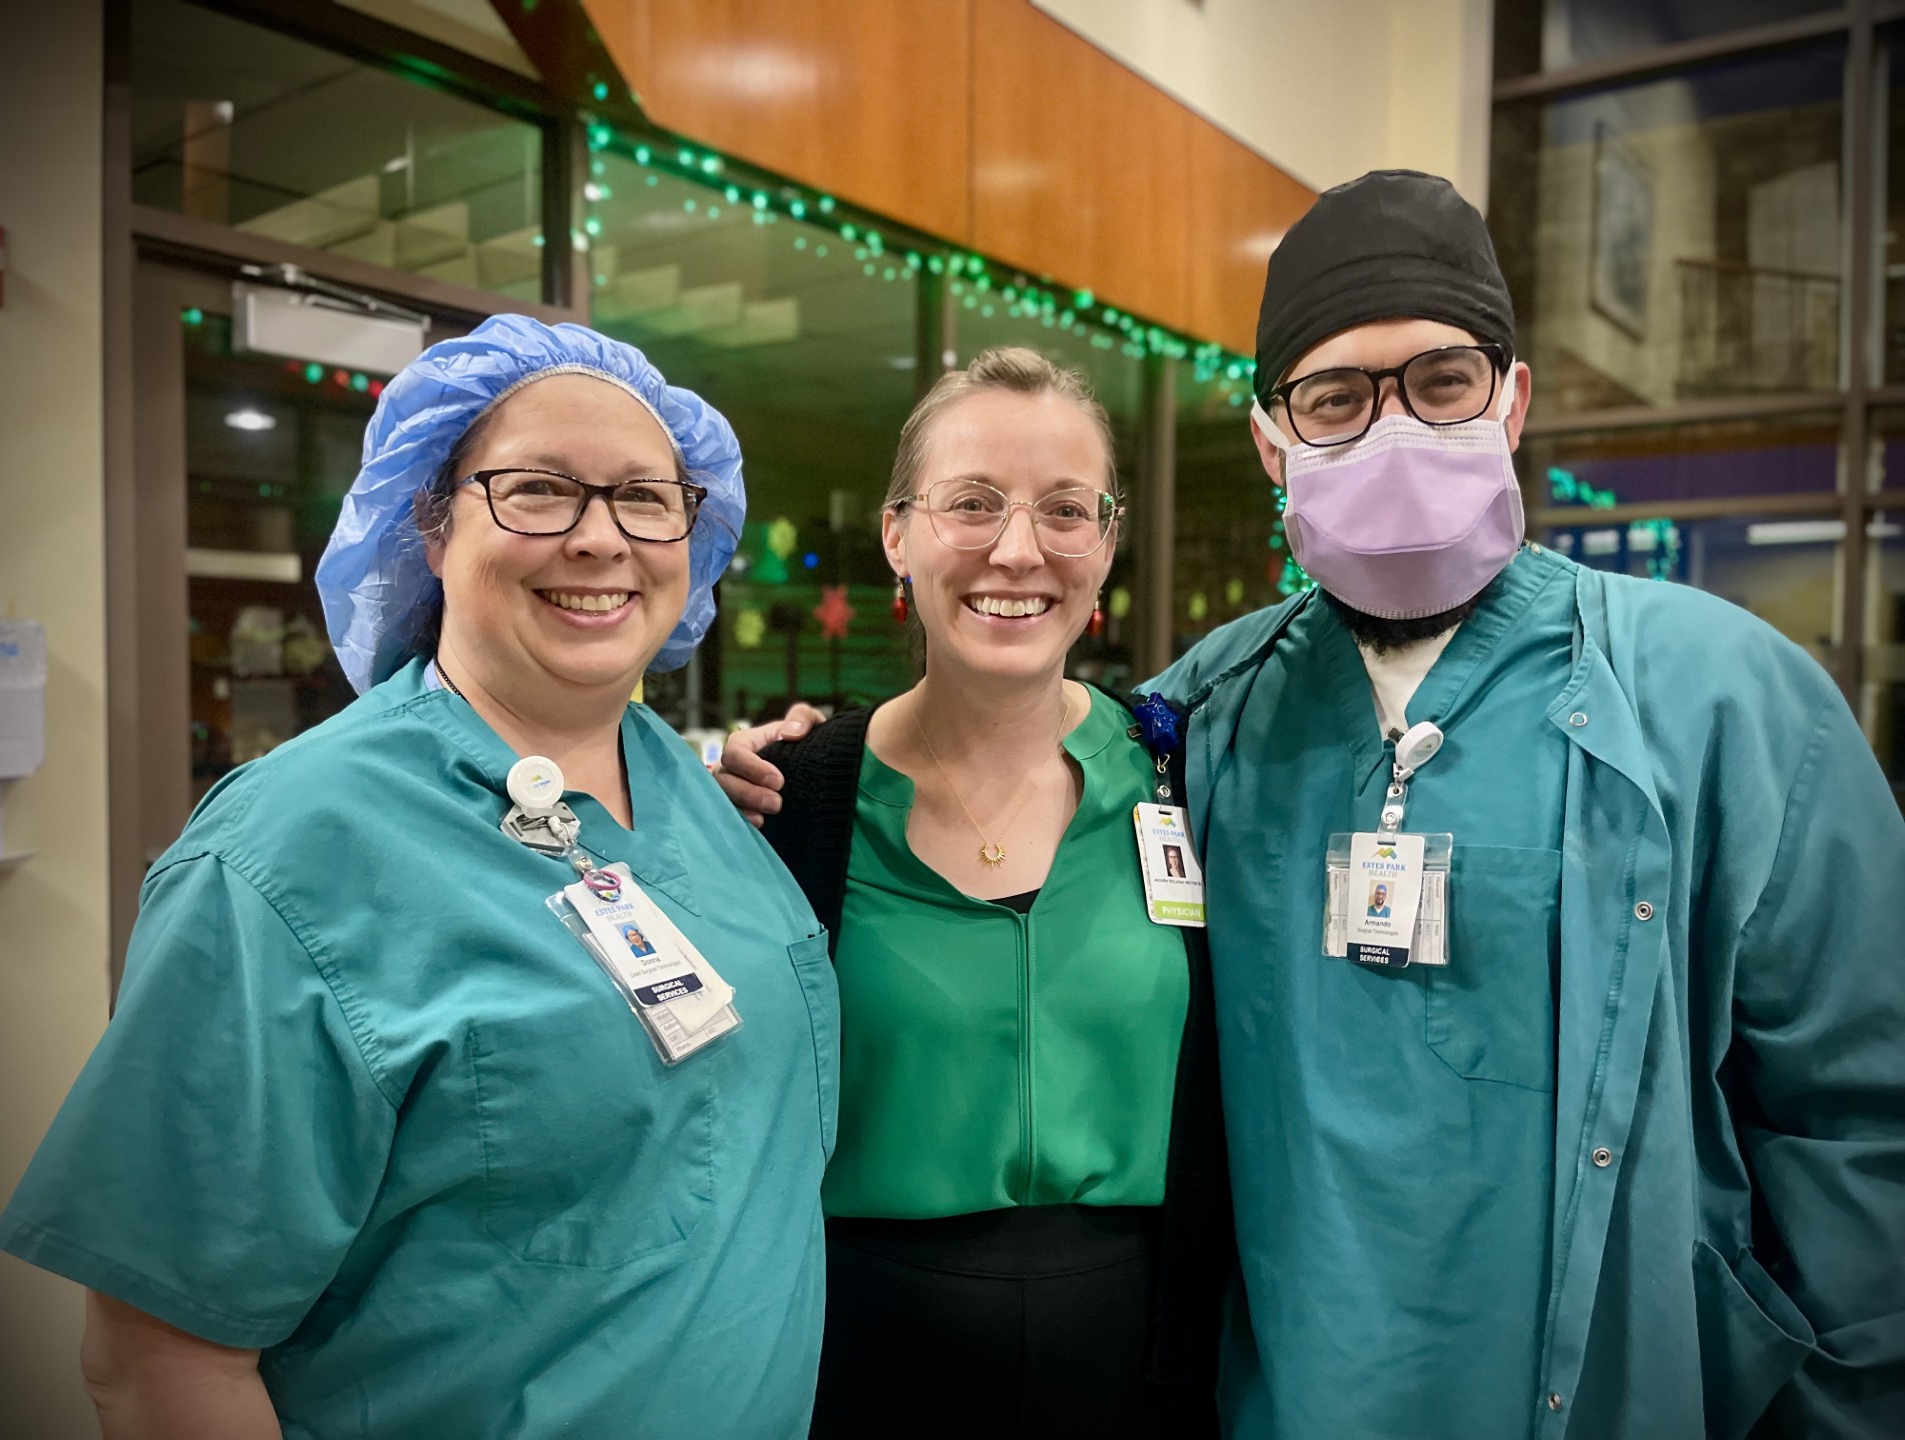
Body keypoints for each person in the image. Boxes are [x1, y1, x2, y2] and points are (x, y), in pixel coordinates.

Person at [720, 172, 1905, 1438]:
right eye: (1335, 398)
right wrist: (799, 767)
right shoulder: (1202, 721)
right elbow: (1014, 733)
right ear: (1274, 442)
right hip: (1276, 1395)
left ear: (1511, 401)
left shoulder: (1720, 700)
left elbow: (1859, 1113)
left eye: (1438, 382)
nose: (1391, 429)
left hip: (1617, 1390)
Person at [0, 317, 839, 1439]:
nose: (601, 540)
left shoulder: (701, 800)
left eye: (647, 495)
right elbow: (159, 1361)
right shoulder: (285, 859)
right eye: (537, 489)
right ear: (428, 527)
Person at [750, 347, 1230, 1437]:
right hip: (857, 1362)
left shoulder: (1191, 779)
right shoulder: (795, 806)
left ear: (1106, 542)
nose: (1019, 550)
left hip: (1147, 1367)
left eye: (1066, 510)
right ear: (897, 536)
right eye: (971, 504)